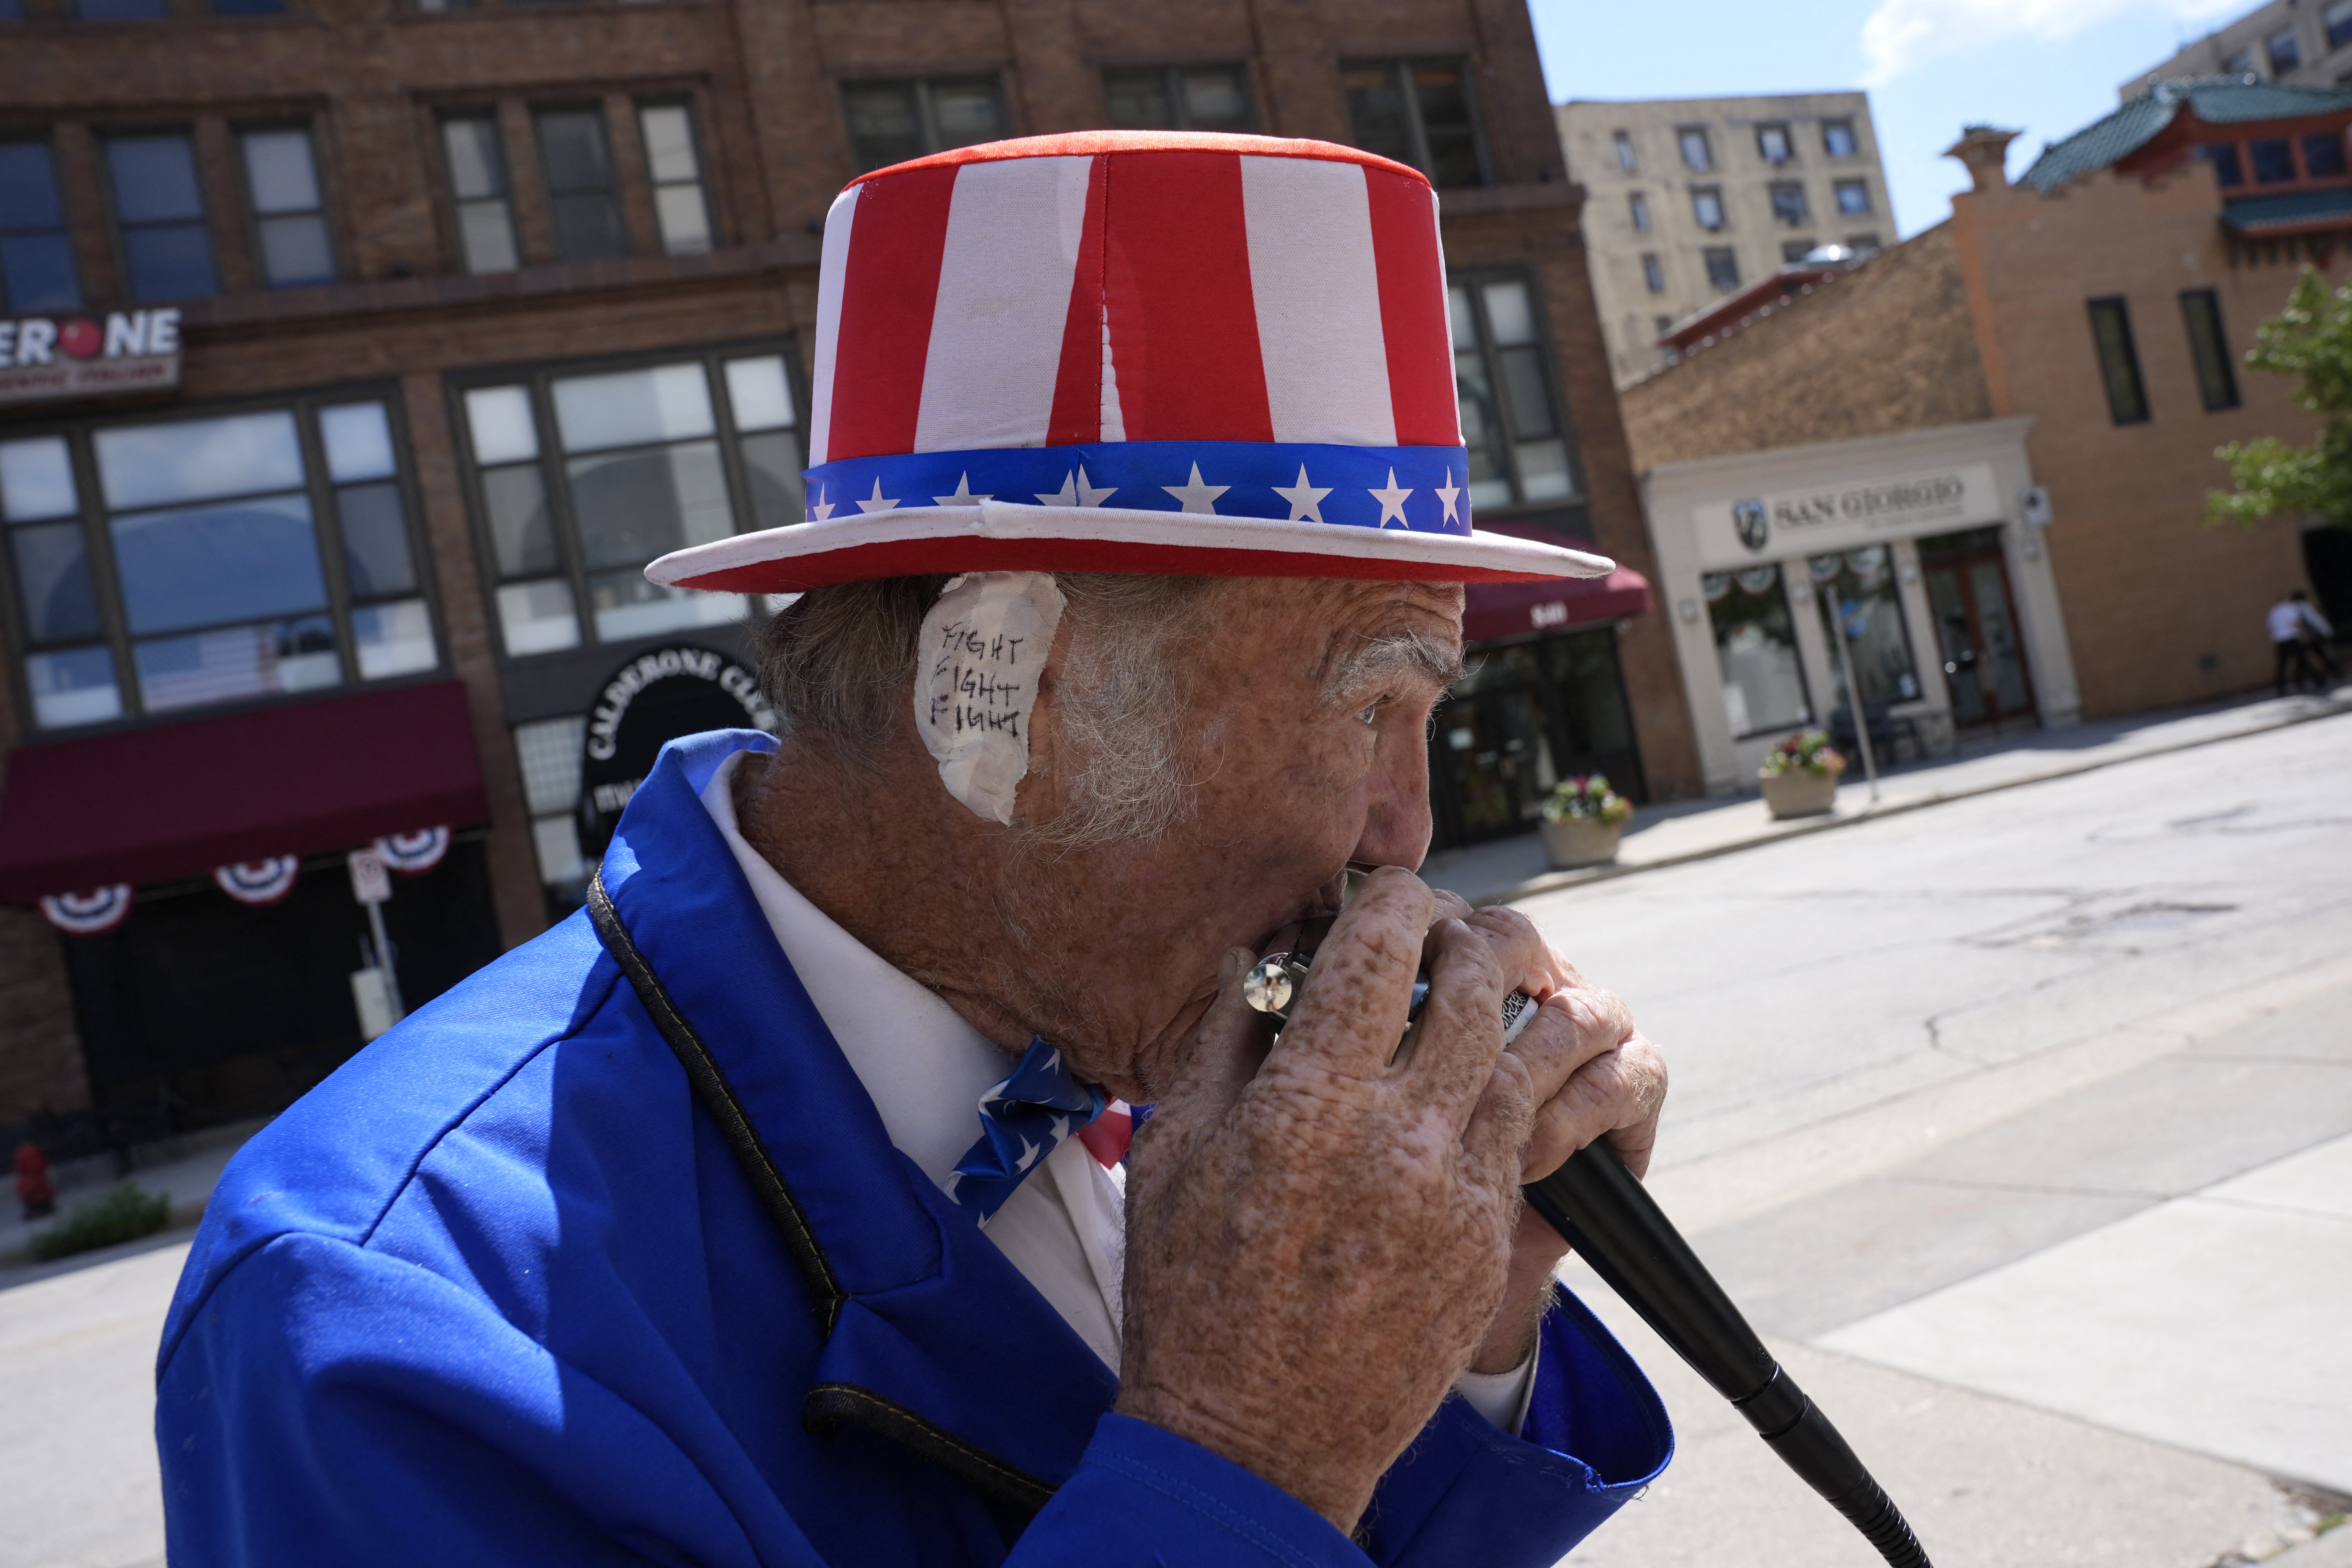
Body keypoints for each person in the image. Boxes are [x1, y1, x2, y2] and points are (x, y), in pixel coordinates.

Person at [156, 132, 1674, 1567]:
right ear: (1006, 691)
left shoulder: (1120, 1012)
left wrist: (1470, 1306)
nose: (1407, 833)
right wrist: (1240, 1443)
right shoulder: (391, 1303)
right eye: (1372, 708)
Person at [2270, 589, 2339, 695]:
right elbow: (2296, 624)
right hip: (2292, 639)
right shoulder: (2289, 610)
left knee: (2283, 666)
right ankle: (2319, 679)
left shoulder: (2273, 612)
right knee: (2304, 660)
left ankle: (2282, 687)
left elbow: (2271, 627)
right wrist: (2303, 636)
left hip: (2280, 641)